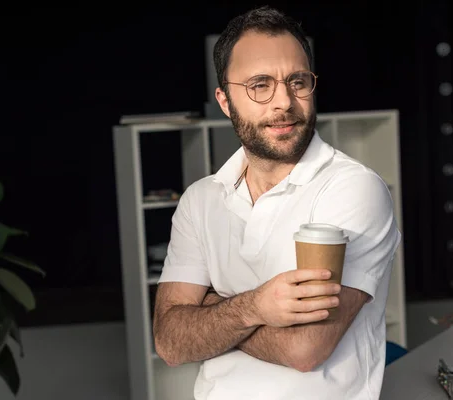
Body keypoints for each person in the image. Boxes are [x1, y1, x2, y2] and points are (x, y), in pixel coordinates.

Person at [152, 5, 401, 400]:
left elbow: (305, 349)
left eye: (298, 82)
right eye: (260, 85)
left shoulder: (353, 189)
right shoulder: (201, 200)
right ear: (224, 100)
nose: (284, 101)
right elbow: (169, 341)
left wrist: (210, 311)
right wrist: (255, 307)